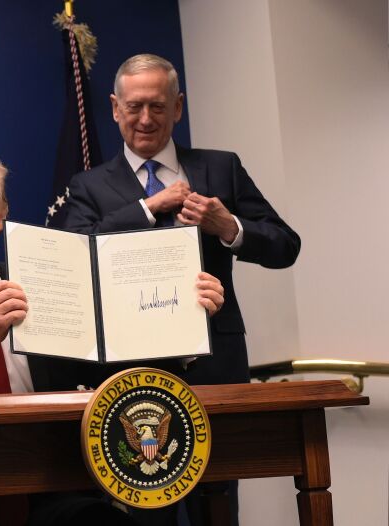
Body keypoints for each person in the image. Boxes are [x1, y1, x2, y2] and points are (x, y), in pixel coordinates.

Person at [0, 153, 226, 526]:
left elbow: (108, 366)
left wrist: (185, 321)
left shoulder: (48, 280)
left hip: (49, 483)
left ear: (1, 215)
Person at [57, 53, 301, 525]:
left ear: (178, 106)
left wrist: (229, 226)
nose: (145, 119)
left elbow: (285, 245)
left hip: (215, 364)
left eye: (157, 105)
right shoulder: (88, 184)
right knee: (147, 509)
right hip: (132, 375)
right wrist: (149, 208)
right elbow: (73, 256)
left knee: (220, 504)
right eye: (134, 107)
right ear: (113, 107)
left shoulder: (220, 168)